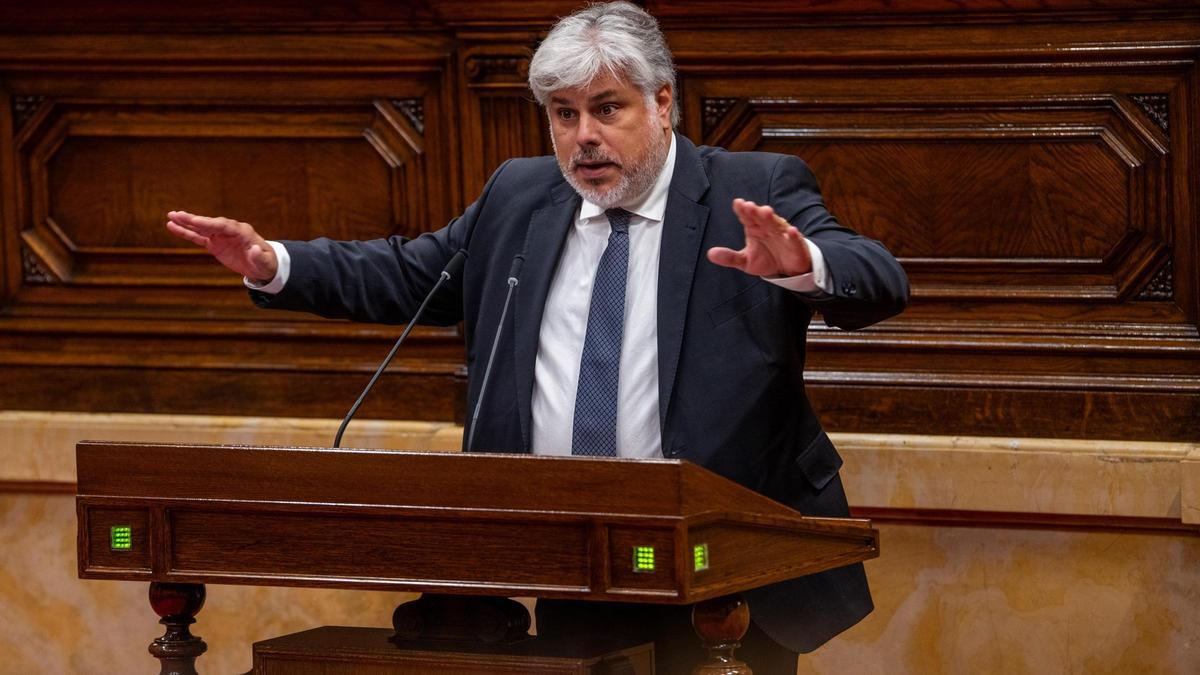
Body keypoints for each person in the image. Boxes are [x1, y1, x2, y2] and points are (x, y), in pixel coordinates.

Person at [166, 2, 908, 672]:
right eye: (562, 113)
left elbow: (878, 279)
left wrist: (804, 264)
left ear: (662, 103)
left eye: (606, 109)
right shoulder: (520, 197)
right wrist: (275, 264)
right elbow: (407, 273)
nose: (583, 136)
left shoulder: (754, 187)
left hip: (724, 567)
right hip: (568, 557)